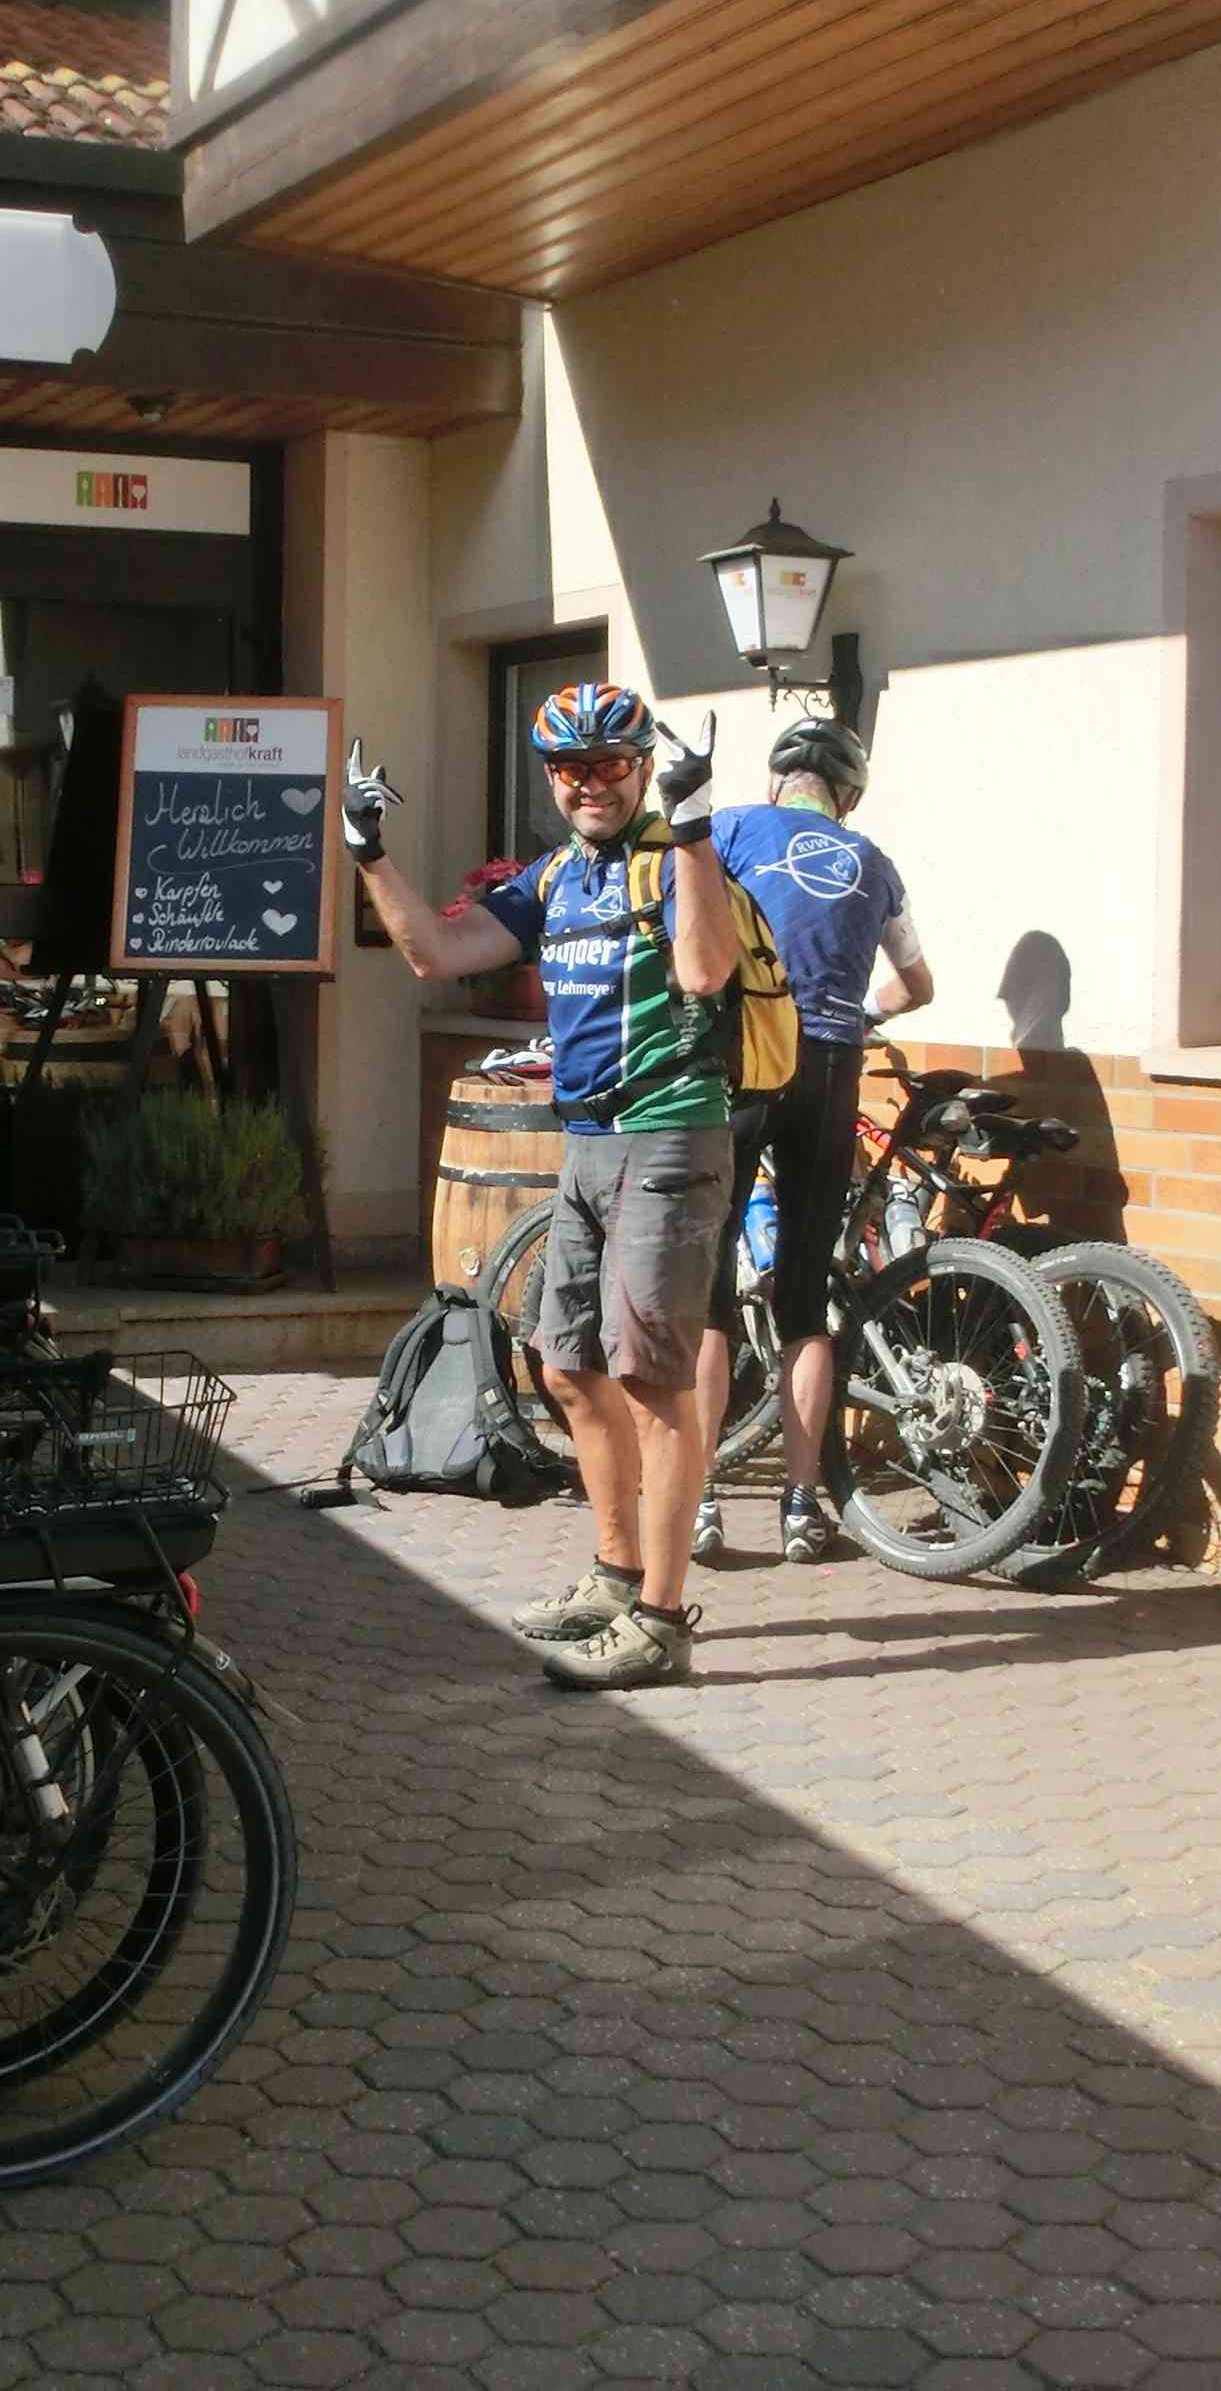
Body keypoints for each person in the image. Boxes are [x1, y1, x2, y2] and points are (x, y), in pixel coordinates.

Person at [346, 684, 743, 1691]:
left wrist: (694, 828)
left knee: (654, 1383)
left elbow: (706, 972)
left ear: (642, 769)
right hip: (588, 1143)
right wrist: (367, 851)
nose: (589, 784)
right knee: (567, 1366)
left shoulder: (674, 860)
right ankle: (616, 1576)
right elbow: (438, 955)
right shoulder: (557, 876)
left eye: (609, 764)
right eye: (570, 768)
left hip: (667, 1137)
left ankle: (662, 1622)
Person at [693, 715, 937, 1565]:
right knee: (803, 1298)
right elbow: (918, 986)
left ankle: (698, 1496)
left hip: (748, 1060)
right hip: (832, 1067)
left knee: (706, 1293)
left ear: (777, 783)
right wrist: (860, 1012)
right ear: (849, 799)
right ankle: (802, 1506)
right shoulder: (876, 863)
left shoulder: (731, 830)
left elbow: (683, 928)